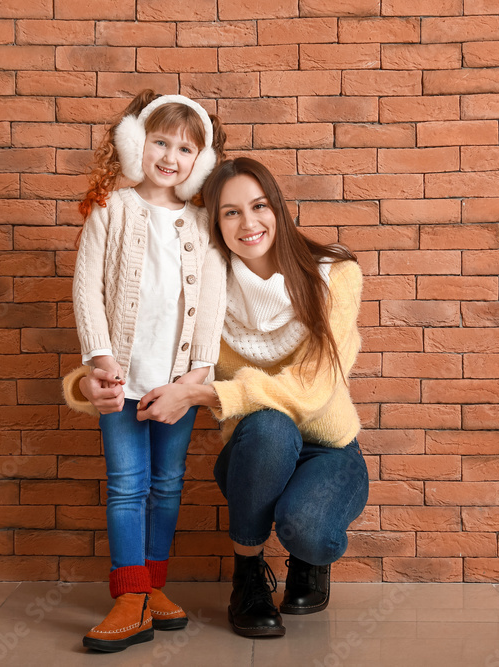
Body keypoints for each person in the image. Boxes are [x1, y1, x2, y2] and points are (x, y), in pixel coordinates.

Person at [66, 157, 369, 639]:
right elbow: (146, 344)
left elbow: (312, 388)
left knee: (306, 527)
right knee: (269, 425)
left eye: (259, 206)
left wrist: (200, 394)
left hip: (327, 447)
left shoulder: (333, 275)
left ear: (278, 209)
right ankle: (247, 573)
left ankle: (307, 558)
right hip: (259, 449)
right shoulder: (208, 285)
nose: (248, 223)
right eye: (230, 213)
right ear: (215, 224)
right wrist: (85, 385)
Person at [64, 90, 227, 652]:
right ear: (137, 142)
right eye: (161, 141)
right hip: (121, 377)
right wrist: (98, 354)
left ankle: (153, 584)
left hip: (174, 381)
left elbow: (212, 301)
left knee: (167, 483)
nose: (170, 156)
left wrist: (196, 375)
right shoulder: (113, 207)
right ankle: (128, 594)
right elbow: (87, 287)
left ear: (199, 162)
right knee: (128, 485)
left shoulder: (204, 223)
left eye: (186, 148)